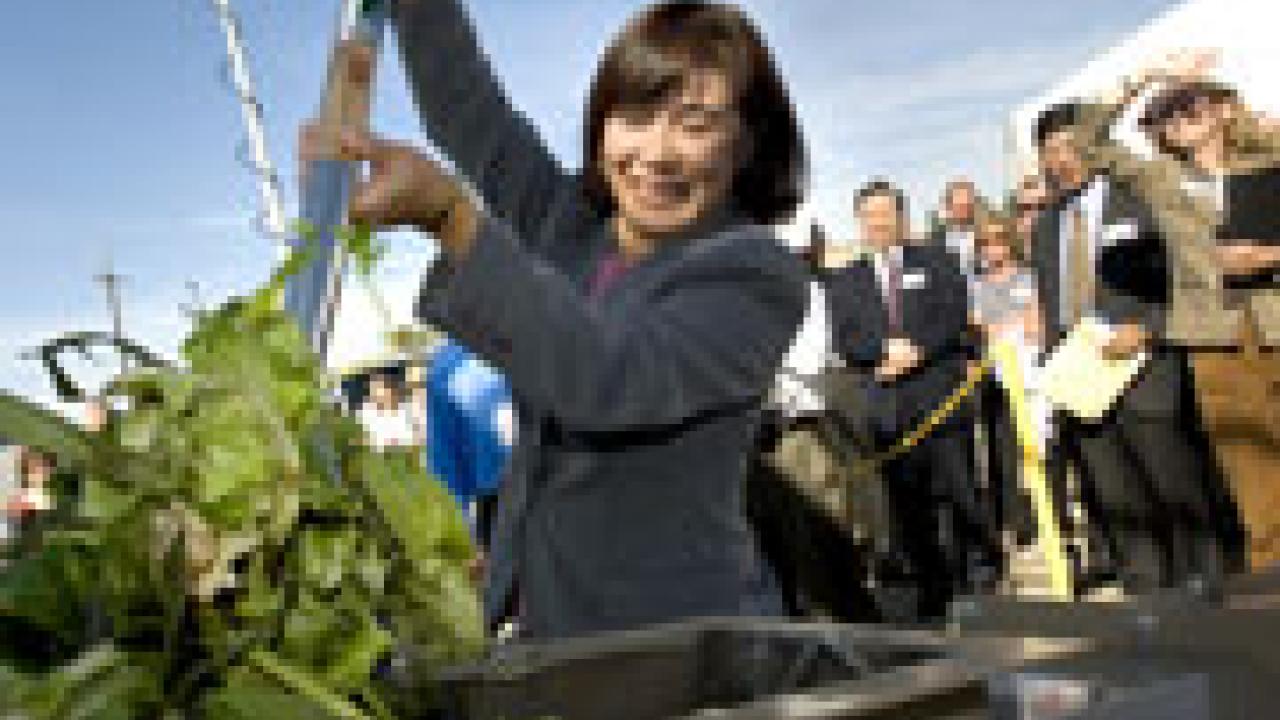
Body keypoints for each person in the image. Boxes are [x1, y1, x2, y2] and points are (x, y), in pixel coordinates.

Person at [306, 0, 809, 640]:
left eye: (696, 122)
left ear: (746, 145)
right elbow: (471, 112)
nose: (656, 152)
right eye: (633, 116)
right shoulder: (569, 229)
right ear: (601, 125)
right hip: (549, 632)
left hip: (678, 646)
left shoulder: (754, 274)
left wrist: (449, 219)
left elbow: (607, 375)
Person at [1029, 100, 1231, 595]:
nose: (1061, 158)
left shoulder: (1141, 199)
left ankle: (1211, 604)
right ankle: (1149, 612)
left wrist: (1151, 329)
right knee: (1119, 504)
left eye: (1070, 145)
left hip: (1148, 375)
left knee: (1177, 496)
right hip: (1084, 385)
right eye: (1050, 150)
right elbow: (1053, 307)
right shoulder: (1046, 224)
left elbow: (1192, 277)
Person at [1097, 53, 1279, 572]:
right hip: (1216, 342)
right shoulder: (1161, 180)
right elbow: (1093, 142)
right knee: (1253, 479)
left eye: (1191, 104)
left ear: (1223, 108)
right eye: (1167, 113)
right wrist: (1142, 78)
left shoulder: (1268, 164)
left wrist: (1271, 256)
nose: (1180, 116)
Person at [825, 180, 997, 620]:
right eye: (870, 215)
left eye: (886, 213)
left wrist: (918, 350)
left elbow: (954, 315)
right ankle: (932, 586)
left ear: (901, 216)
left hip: (939, 394)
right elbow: (846, 339)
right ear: (859, 222)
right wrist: (881, 353)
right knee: (909, 504)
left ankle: (980, 575)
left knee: (960, 490)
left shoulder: (938, 262)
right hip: (888, 407)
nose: (878, 222)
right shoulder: (844, 280)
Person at [970, 210, 1045, 552]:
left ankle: (1047, 514)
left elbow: (1035, 320)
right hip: (993, 377)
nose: (992, 247)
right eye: (985, 242)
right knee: (1002, 451)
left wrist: (1013, 326)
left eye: (999, 239)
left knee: (1041, 445)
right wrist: (995, 329)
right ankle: (1013, 520)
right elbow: (975, 325)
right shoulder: (975, 285)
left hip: (1030, 376)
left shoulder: (1030, 277)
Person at [929, 179, 983, 284]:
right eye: (958, 205)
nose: (963, 210)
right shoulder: (933, 247)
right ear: (948, 206)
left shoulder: (986, 240)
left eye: (967, 204)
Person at [356, 366, 421, 450]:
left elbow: (417, 439)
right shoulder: (365, 412)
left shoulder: (410, 409)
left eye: (383, 386)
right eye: (373, 387)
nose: (377, 393)